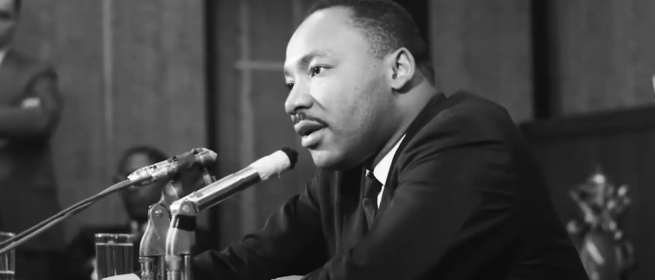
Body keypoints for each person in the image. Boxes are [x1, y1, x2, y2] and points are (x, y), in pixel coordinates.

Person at [193, 0, 589, 279]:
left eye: (317, 69)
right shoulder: (343, 171)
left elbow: (377, 272)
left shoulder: (469, 135)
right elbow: (249, 262)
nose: (293, 101)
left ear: (398, 68)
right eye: (288, 82)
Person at [66, 146, 215, 280]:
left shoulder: (190, 237)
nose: (132, 188)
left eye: (142, 180)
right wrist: (89, 267)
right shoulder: (89, 240)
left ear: (166, 181)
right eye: (126, 179)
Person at [0, 0, 67, 279]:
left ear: (16, 20)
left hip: (22, 225)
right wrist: (14, 117)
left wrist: (25, 119)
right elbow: (24, 121)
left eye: (2, 16)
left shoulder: (36, 72)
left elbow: (40, 120)